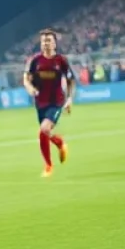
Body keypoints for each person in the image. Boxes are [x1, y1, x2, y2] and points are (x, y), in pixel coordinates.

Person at [23, 29, 75, 178]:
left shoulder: (61, 61)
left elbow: (71, 80)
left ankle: (48, 166)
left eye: (49, 40)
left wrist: (69, 99)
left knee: (43, 129)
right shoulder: (35, 61)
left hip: (56, 101)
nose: (46, 43)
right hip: (40, 102)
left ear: (54, 43)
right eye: (43, 41)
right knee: (45, 132)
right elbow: (26, 77)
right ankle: (59, 143)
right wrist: (29, 87)